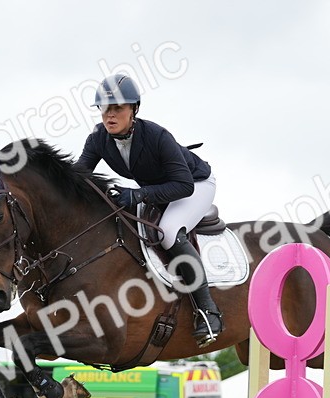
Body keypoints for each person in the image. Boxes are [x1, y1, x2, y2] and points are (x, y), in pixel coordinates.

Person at [74, 73, 222, 346]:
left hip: (195, 184)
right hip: (159, 188)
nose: (110, 115)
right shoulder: (98, 138)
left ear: (134, 109)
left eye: (117, 108)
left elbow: (183, 186)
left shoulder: (157, 135)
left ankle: (208, 311)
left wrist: (138, 194)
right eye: (105, 108)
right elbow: (78, 177)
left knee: (166, 232)